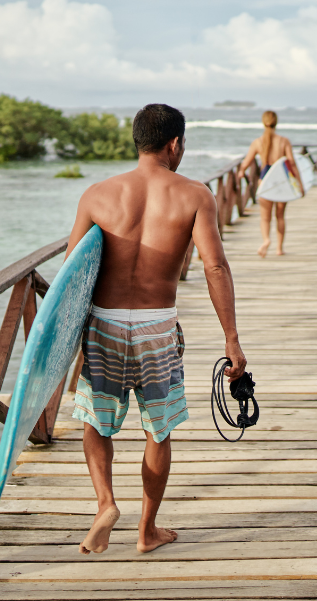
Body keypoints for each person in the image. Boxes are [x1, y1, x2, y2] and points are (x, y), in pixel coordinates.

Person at [65, 103, 247, 556]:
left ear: (138, 141)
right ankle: (147, 530)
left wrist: (67, 344)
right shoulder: (195, 195)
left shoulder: (97, 195)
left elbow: (72, 274)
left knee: (97, 423)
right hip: (157, 328)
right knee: (157, 430)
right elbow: (216, 266)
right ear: (175, 144)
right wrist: (231, 339)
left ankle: (105, 504)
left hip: (105, 324)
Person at [237, 111, 304, 257]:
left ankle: (266, 240)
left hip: (265, 180)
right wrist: (300, 184)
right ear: (276, 122)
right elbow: (291, 163)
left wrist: (241, 171)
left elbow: (246, 162)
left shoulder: (257, 142)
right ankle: (279, 249)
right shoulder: (284, 141)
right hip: (282, 181)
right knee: (280, 216)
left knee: (265, 217)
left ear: (263, 122)